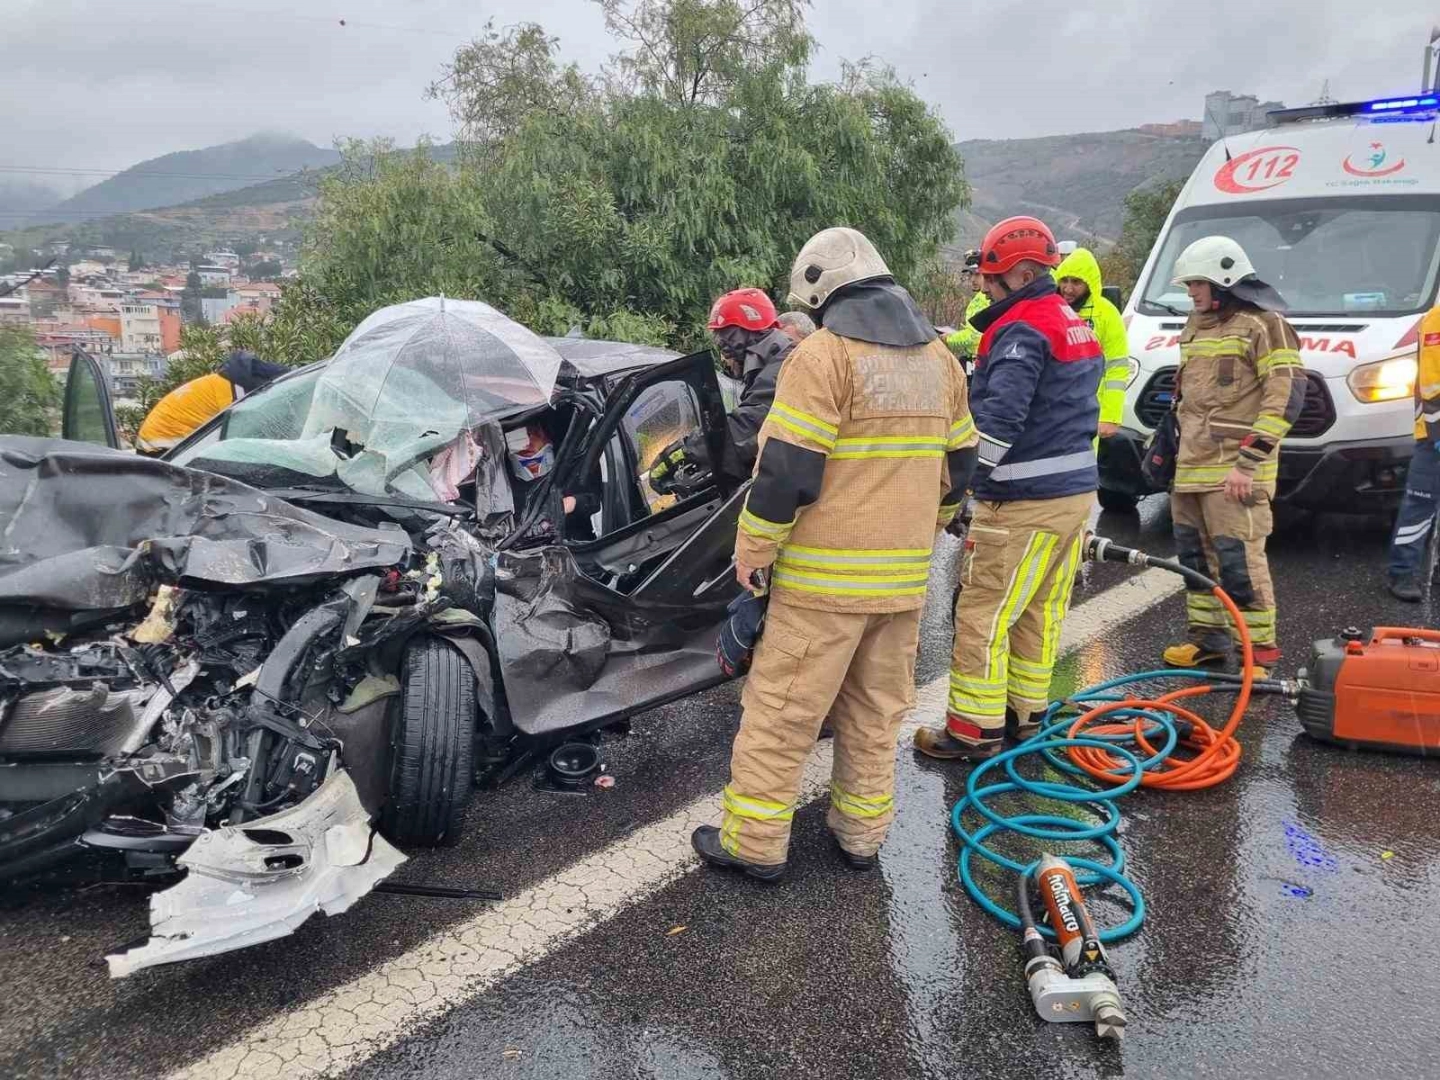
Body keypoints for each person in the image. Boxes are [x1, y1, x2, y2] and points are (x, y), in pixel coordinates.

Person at [691, 227, 977, 880]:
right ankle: (860, 836)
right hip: (902, 587)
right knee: (875, 716)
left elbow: (786, 471)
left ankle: (756, 844)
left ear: (821, 295)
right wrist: (927, 530)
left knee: (782, 715)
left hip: (821, 588)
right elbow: (961, 466)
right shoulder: (939, 361)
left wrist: (753, 551)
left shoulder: (823, 357)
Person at [914, 216, 1102, 762]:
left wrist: (958, 493)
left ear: (1020, 274)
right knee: (1038, 612)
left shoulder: (1021, 329)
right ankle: (1026, 717)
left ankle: (972, 731)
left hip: (1024, 502)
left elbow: (997, 426)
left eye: (990, 280)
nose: (983, 288)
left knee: (983, 616)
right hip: (1073, 497)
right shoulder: (1072, 321)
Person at [1161, 236, 1302, 673]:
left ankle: (1257, 655)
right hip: (1190, 467)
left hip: (1234, 471)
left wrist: (1248, 463)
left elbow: (1286, 396)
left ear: (1224, 281)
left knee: (1239, 562)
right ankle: (1209, 642)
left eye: (1197, 284)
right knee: (1195, 560)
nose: (1191, 292)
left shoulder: (1265, 325)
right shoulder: (1196, 324)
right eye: (1189, 285)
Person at [649, 288, 794, 490]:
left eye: (727, 334)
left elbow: (748, 426)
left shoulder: (783, 366)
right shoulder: (772, 364)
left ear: (753, 329)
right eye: (717, 335)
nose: (720, 343)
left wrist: (684, 452)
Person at [136, 350, 289, 454]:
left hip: (158, 444)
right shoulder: (233, 392)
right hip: (162, 451)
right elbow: (238, 436)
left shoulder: (223, 382)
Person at [1387, 302, 1440, 601]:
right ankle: (1402, 572)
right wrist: (1437, 432)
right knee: (1421, 504)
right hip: (1435, 432)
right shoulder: (1437, 319)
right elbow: (1433, 384)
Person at [1055, 247, 1130, 438]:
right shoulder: (1052, 310)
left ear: (1090, 283)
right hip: (1052, 410)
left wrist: (1110, 416)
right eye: (1064, 280)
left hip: (1089, 413)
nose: (1068, 289)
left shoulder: (1106, 313)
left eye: (1076, 282)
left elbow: (1118, 367)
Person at [944, 249, 990, 361]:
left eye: (977, 274)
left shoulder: (982, 299)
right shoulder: (992, 297)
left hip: (979, 359)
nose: (972, 279)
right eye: (971, 274)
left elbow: (973, 336)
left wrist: (948, 339)